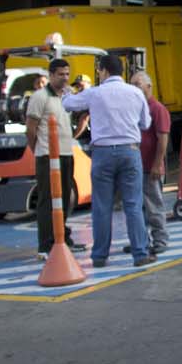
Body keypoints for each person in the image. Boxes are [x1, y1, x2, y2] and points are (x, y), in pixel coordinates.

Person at [62, 54, 152, 269]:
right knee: (133, 205)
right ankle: (140, 253)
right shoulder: (135, 93)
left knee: (102, 207)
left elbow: (68, 104)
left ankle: (100, 255)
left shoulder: (94, 93)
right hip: (130, 152)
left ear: (103, 71)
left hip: (102, 154)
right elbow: (146, 123)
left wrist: (66, 89)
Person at [25, 58, 86, 260]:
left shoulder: (69, 96)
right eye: (60, 74)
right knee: (47, 200)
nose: (65, 78)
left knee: (65, 199)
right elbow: (31, 129)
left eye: (67, 74)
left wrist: (82, 122)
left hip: (67, 153)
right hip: (47, 156)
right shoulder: (40, 97)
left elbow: (71, 127)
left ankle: (62, 239)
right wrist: (39, 151)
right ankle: (45, 245)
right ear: (50, 75)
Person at [128, 71, 171, 258]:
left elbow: (162, 139)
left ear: (149, 87)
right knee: (138, 208)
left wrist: (157, 164)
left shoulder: (157, 109)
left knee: (154, 206)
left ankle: (160, 240)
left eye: (137, 84)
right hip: (136, 166)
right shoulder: (135, 108)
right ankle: (141, 241)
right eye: (132, 84)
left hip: (150, 167)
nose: (134, 88)